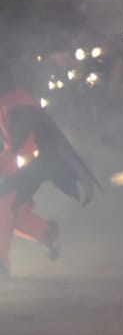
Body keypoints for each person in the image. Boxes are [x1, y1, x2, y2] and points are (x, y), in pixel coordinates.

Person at [0, 92, 98, 272]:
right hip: (29, 166)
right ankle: (45, 232)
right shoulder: (11, 103)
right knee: (13, 212)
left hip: (35, 166)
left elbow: (21, 149)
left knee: (5, 206)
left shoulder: (18, 106)